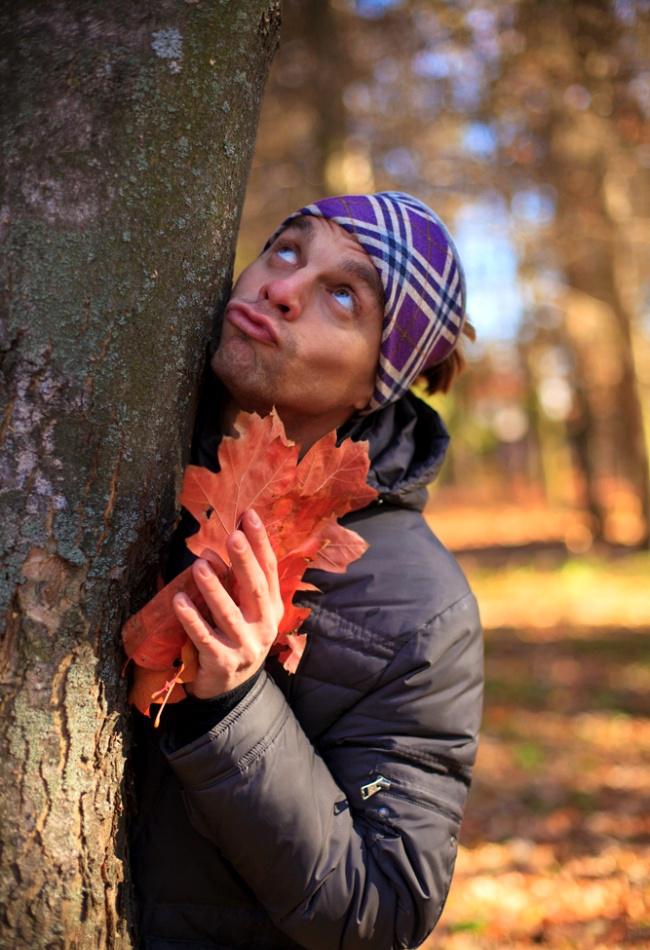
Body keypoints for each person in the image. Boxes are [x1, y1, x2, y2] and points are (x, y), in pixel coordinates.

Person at [131, 191, 484, 950]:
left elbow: (385, 910)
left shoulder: (420, 609)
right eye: (287, 250)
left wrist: (234, 707)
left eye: (343, 296)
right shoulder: (113, 453)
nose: (282, 290)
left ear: (374, 386)